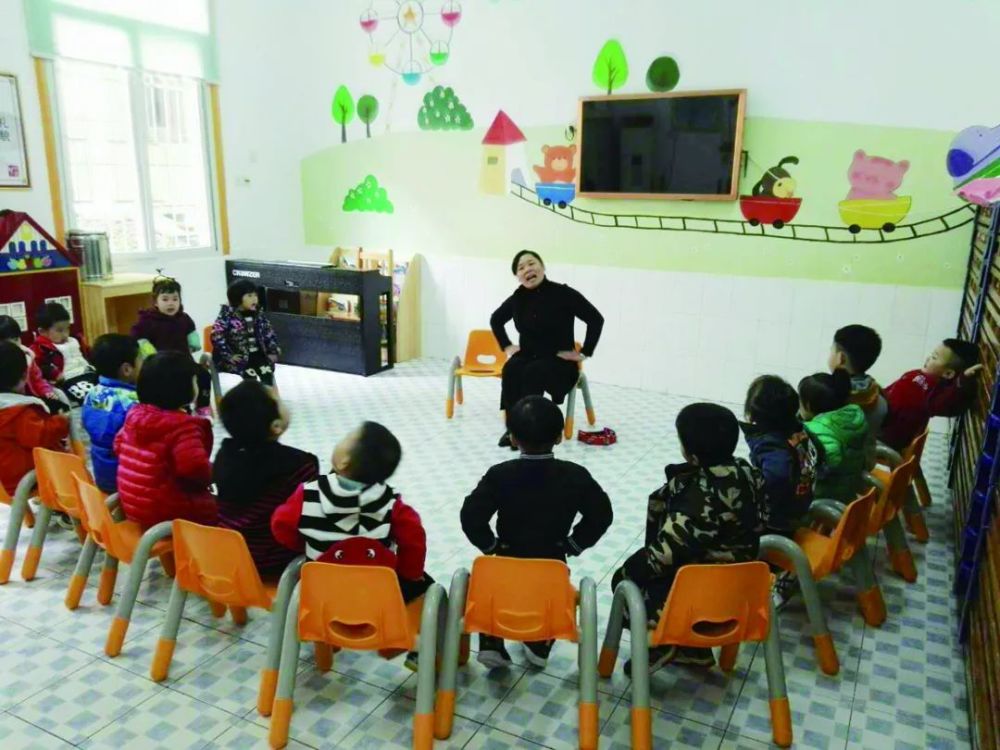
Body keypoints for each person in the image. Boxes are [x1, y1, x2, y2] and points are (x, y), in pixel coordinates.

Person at [611, 402, 764, 675]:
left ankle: (666, 640)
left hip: (696, 598)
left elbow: (665, 554)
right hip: (742, 591)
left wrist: (626, 572)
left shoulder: (697, 494)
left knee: (626, 583)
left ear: (690, 453)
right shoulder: (748, 473)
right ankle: (693, 651)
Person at [461, 395, 613, 668]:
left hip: (507, 558)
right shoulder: (575, 475)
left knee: (490, 587)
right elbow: (602, 514)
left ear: (513, 438)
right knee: (546, 594)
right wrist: (574, 544)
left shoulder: (500, 474)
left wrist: (490, 545)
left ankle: (492, 641)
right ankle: (539, 644)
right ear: (559, 437)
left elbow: (471, 515)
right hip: (552, 560)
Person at [490, 250, 604, 448]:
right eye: (521, 268)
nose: (527, 269)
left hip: (558, 361)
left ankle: (534, 432)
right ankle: (514, 430)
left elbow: (595, 319)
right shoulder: (518, 298)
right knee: (511, 368)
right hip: (528, 356)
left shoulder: (563, 293)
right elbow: (496, 319)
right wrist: (507, 346)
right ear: (517, 276)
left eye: (531, 263)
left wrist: (584, 352)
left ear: (542, 267)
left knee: (533, 372)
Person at [214, 381, 319, 575]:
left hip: (230, 556)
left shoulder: (224, 456)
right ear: (276, 426)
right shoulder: (300, 466)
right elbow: (311, 520)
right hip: (276, 562)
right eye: (278, 400)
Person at [115, 351, 217, 529]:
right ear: (182, 389)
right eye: (194, 381)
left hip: (134, 508)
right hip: (171, 515)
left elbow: (117, 445)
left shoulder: (135, 414)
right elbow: (194, 468)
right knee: (232, 515)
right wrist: (216, 474)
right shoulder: (183, 426)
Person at [741, 375, 818, 536]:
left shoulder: (770, 444)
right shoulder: (799, 431)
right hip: (801, 508)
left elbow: (777, 477)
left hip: (778, 525)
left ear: (753, 413)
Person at [130, 275, 212, 414]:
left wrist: (194, 342)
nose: (171, 303)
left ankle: (202, 405)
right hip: (161, 365)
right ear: (155, 302)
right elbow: (137, 336)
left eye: (175, 299)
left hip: (183, 360)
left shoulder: (183, 318)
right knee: (172, 384)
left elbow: (191, 330)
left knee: (204, 375)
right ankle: (176, 407)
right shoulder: (148, 320)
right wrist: (148, 349)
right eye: (165, 299)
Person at [880, 338, 982, 451]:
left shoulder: (937, 391)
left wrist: (963, 379)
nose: (928, 358)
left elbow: (947, 403)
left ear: (948, 373)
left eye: (934, 357)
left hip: (887, 436)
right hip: (879, 421)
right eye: (932, 354)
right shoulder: (915, 373)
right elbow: (888, 391)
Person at [0, 340, 70, 496]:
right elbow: (43, 434)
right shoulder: (18, 412)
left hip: (5, 482)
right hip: (23, 482)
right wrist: (62, 420)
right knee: (70, 467)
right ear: (25, 375)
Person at [81, 334, 143, 494]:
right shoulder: (133, 402)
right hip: (128, 480)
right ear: (127, 369)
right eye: (140, 360)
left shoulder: (92, 393)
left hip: (102, 475)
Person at [798, 370, 869, 503]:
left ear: (807, 405)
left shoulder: (816, 433)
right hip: (849, 492)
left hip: (825, 501)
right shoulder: (853, 417)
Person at [828, 325, 887, 467]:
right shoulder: (876, 392)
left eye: (831, 351)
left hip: (838, 474)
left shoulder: (831, 398)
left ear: (840, 358)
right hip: (865, 464)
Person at [211, 280, 280, 387]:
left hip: (258, 355)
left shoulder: (258, 313)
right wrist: (229, 355)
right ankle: (251, 400)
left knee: (267, 374)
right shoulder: (227, 314)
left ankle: (267, 399)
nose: (255, 299)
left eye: (255, 295)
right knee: (250, 378)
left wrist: (273, 351)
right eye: (249, 295)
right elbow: (217, 335)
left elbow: (268, 332)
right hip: (240, 358)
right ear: (237, 298)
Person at [30, 301, 97, 405]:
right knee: (89, 397)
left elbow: (88, 353)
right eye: (60, 330)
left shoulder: (75, 340)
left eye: (68, 329)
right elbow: (38, 367)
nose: (65, 334)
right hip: (69, 379)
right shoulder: (40, 348)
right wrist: (54, 373)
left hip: (89, 372)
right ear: (43, 332)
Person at [0, 314, 68, 413]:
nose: (15, 344)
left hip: (33, 397)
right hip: (10, 402)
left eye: (16, 339)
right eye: (7, 342)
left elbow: (38, 379)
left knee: (61, 405)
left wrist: (47, 391)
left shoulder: (28, 356)